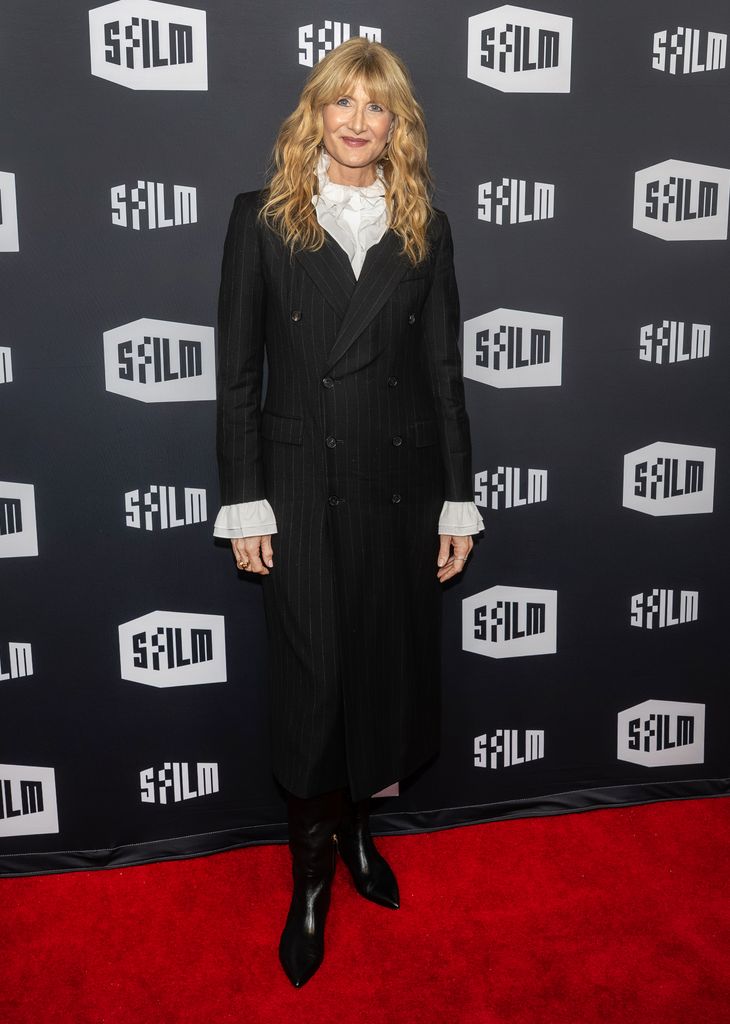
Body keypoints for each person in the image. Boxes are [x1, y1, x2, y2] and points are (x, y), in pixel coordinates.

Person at [213, 36, 484, 987]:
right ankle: (314, 879)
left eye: (377, 107)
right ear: (315, 114)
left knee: (380, 674)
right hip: (296, 493)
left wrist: (460, 497)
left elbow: (444, 375)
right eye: (342, 103)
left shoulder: (427, 228)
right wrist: (244, 502)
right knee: (315, 685)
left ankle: (363, 836)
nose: (358, 122)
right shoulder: (262, 220)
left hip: (400, 492)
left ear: (396, 122)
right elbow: (238, 375)